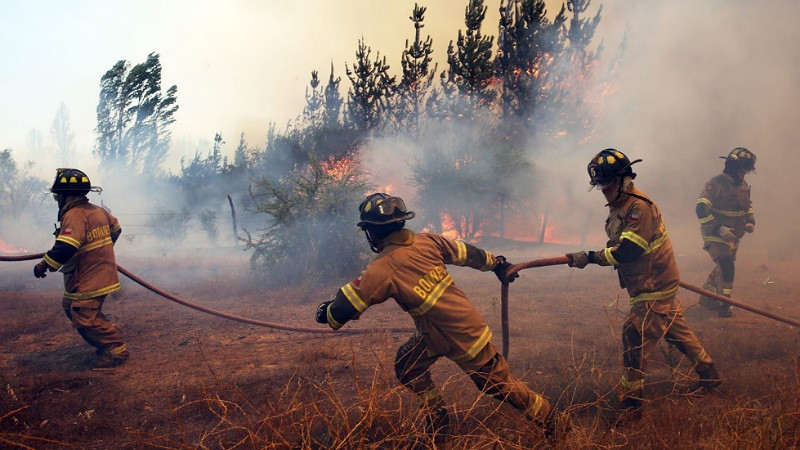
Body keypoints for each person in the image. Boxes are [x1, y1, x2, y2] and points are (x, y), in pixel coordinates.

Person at [315, 192, 562, 439]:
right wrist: (496, 264)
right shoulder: (426, 241)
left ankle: (553, 421)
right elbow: (466, 253)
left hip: (463, 336)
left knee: (498, 386)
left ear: (373, 232)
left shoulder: (383, 267)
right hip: (436, 334)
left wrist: (325, 312)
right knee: (408, 365)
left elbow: (344, 307)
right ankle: (438, 421)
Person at [564, 149, 720, 416]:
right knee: (674, 328)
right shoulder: (620, 205)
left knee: (634, 333)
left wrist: (589, 257)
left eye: (608, 183)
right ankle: (710, 375)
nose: (604, 189)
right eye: (600, 185)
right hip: (651, 282)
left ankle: (631, 402)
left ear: (626, 179)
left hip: (653, 285)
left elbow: (629, 251)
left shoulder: (639, 207)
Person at [33, 168, 129, 369]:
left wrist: (44, 264)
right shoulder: (97, 210)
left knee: (83, 316)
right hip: (94, 273)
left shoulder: (74, 214)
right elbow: (116, 229)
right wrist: (102, 251)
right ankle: (103, 342)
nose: (57, 198)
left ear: (65, 194)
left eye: (58, 194)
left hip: (89, 276)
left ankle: (115, 350)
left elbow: (67, 245)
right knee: (70, 306)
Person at [696, 147, 756, 318]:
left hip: (733, 235)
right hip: (715, 234)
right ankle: (723, 305)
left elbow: (747, 205)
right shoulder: (715, 184)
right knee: (727, 265)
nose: (744, 174)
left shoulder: (742, 185)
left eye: (746, 170)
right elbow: (701, 209)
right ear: (732, 167)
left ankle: (707, 300)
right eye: (742, 170)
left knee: (721, 268)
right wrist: (719, 229)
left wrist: (750, 221)